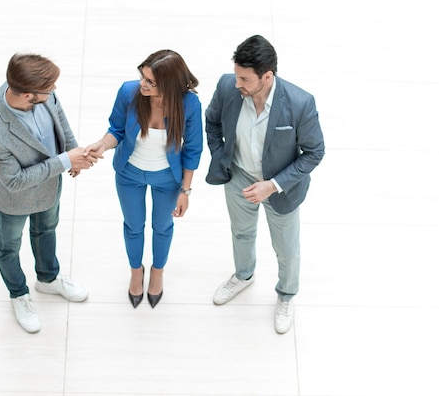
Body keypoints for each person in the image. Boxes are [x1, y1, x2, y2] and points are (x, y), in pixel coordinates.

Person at [205, 35, 325, 334]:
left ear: (267, 76)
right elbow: (212, 122)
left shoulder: (300, 103)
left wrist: (272, 185)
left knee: (285, 248)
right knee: (241, 233)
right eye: (236, 75)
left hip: (281, 188)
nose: (237, 84)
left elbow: (315, 152)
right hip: (238, 177)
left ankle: (286, 296)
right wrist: (221, 157)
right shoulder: (227, 87)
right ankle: (243, 276)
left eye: (244, 78)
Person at [0, 53, 97, 333]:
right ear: (28, 94)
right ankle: (18, 293)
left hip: (49, 186)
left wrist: (72, 150)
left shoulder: (40, 91)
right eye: (50, 89)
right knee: (9, 246)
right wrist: (65, 161)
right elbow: (15, 181)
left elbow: (59, 116)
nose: (55, 91)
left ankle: (48, 278)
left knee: (46, 230)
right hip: (14, 199)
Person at [85, 50, 203, 308]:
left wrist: (185, 190)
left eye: (151, 82)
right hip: (129, 174)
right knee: (133, 225)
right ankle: (136, 271)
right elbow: (115, 130)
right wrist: (101, 146)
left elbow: (193, 150)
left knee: (162, 226)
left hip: (167, 178)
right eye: (143, 77)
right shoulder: (129, 92)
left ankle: (157, 272)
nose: (143, 84)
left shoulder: (189, 105)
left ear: (170, 85)